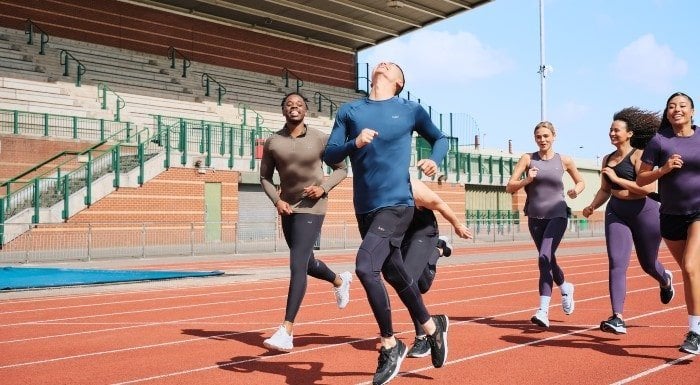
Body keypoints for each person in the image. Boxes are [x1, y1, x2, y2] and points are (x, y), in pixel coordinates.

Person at [323, 61, 450, 385]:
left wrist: (433, 161)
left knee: (366, 267)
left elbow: (440, 138)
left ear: (398, 81)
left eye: (392, 65)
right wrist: (355, 143)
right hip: (364, 207)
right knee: (396, 272)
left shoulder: (409, 110)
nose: (384, 63)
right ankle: (432, 327)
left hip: (397, 204)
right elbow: (329, 153)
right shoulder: (350, 111)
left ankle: (391, 344)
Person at [260, 92, 352, 352]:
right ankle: (339, 281)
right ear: (283, 111)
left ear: (305, 110)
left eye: (299, 104)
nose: (294, 108)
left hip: (313, 207)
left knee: (297, 264)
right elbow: (265, 177)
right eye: (289, 104)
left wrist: (323, 188)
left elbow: (342, 169)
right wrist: (277, 201)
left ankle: (287, 329)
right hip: (288, 208)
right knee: (306, 261)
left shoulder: (321, 139)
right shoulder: (273, 142)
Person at [582, 107, 674, 335]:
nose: (612, 134)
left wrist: (616, 178)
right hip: (617, 211)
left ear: (629, 133)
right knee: (616, 262)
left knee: (648, 264)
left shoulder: (638, 155)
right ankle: (617, 317)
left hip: (645, 211)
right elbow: (605, 189)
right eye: (610, 130)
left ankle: (665, 280)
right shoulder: (606, 158)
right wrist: (593, 205)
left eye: (617, 130)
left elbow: (648, 189)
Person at [637, 92, 700, 354]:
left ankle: (695, 332)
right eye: (671, 106)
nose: (677, 110)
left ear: (693, 111)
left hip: (699, 211)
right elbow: (641, 179)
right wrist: (663, 170)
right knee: (690, 273)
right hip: (671, 215)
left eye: (682, 106)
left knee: (690, 266)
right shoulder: (658, 141)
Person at [506, 121, 584, 328]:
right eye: (539, 137)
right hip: (534, 216)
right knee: (549, 258)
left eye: (546, 136)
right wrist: (526, 180)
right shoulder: (527, 159)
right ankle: (565, 287)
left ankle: (543, 310)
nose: (542, 140)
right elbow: (509, 187)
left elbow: (581, 181)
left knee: (543, 257)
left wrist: (576, 190)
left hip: (557, 215)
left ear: (554, 136)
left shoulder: (564, 160)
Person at [400, 178, 472, 358]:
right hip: (403, 237)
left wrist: (457, 225)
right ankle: (440, 249)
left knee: (407, 280)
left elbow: (440, 204)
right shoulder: (378, 183)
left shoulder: (413, 186)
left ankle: (422, 337)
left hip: (423, 232)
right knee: (421, 286)